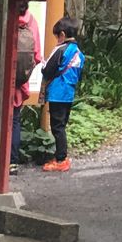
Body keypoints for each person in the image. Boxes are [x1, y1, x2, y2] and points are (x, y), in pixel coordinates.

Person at [40, 18, 85, 172]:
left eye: (57, 36)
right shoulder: (79, 53)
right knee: (62, 126)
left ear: (62, 34)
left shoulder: (61, 50)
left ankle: (61, 159)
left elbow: (47, 70)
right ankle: (61, 156)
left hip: (57, 93)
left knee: (57, 127)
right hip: (69, 93)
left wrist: (42, 65)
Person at [9, 0, 44, 170]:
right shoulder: (31, 22)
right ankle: (12, 162)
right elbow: (37, 56)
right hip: (19, 82)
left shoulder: (5, 16)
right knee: (14, 120)